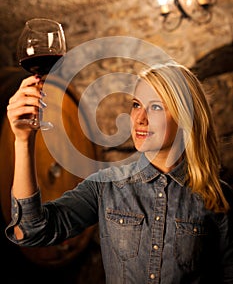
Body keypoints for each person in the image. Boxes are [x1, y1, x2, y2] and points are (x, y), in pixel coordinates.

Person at [5, 60, 233, 284]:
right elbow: (30, 231)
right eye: (136, 105)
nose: (140, 119)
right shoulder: (106, 186)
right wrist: (23, 141)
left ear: (185, 117)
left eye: (155, 107)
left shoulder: (218, 198)